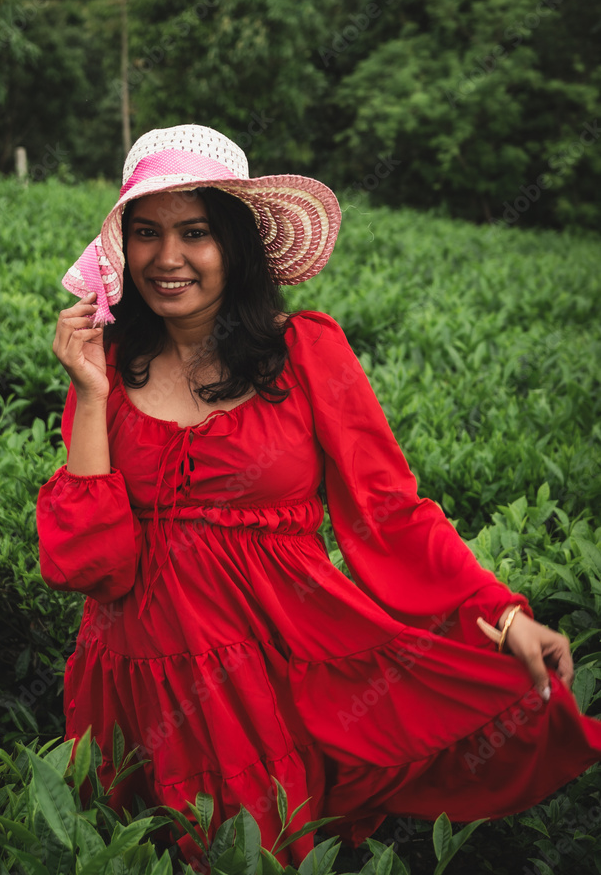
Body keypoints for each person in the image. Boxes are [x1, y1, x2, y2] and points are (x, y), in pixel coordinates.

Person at [37, 124, 601, 868]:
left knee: (256, 848)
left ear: (235, 245)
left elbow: (389, 512)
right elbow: (92, 565)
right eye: (145, 233)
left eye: (194, 233)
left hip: (269, 678)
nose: (166, 258)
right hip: (133, 686)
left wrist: (496, 611)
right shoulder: (106, 365)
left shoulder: (304, 351)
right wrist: (88, 393)